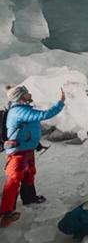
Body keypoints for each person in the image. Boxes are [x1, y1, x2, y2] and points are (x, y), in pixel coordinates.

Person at [0, 85, 65, 227]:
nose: (30, 94)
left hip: (27, 150)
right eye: (27, 93)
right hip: (17, 152)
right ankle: (5, 214)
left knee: (29, 174)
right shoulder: (18, 111)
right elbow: (43, 115)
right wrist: (60, 102)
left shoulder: (24, 109)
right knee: (13, 180)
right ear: (21, 97)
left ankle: (29, 198)